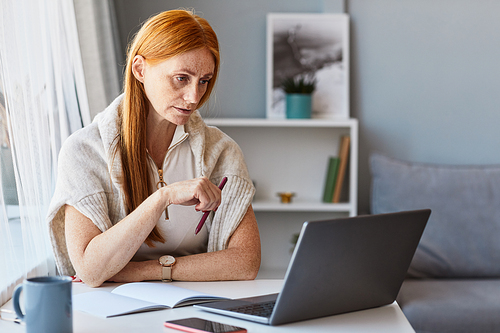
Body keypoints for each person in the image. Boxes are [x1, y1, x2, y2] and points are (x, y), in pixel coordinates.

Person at [46, 9, 260, 288]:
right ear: (140, 69)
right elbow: (90, 268)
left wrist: (144, 271)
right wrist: (163, 197)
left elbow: (245, 262)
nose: (194, 97)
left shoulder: (221, 151)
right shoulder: (84, 152)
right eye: (181, 78)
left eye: (204, 81)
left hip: (195, 308)